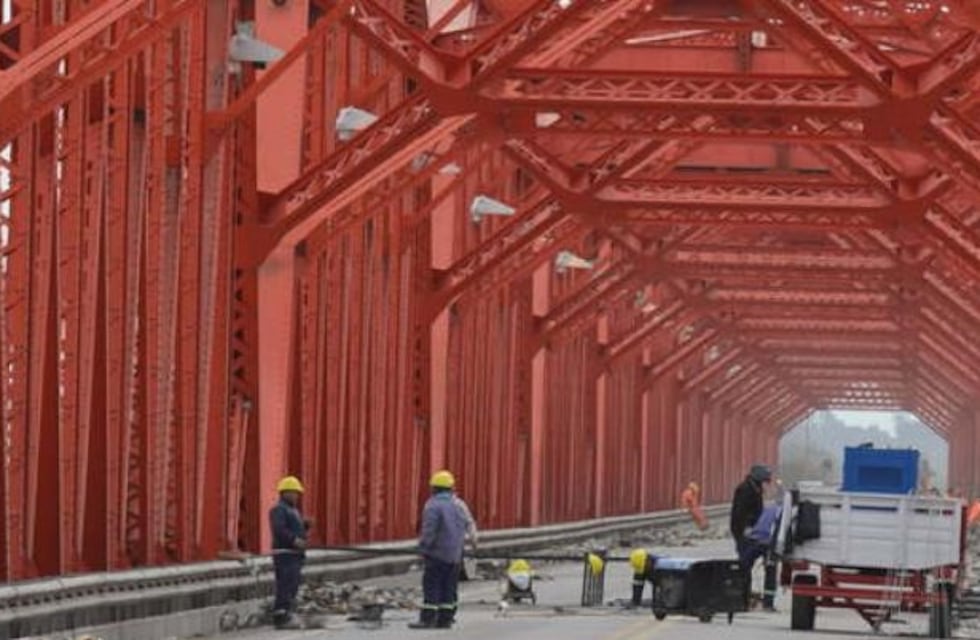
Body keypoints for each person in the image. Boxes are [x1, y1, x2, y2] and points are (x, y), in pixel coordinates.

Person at [410, 470, 468, 629]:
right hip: (455, 555)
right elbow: (464, 527)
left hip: (437, 554)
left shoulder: (433, 505)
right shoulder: (458, 505)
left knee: (432, 585)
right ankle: (445, 619)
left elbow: (429, 530)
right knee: (449, 587)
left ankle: (428, 619)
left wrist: (422, 548)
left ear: (434, 488)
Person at [269, 475, 311, 629]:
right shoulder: (278, 510)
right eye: (294, 492)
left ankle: (287, 612)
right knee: (285, 584)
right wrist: (294, 540)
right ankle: (281, 615)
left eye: (297, 493)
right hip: (285, 553)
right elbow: (279, 530)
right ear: (284, 493)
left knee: (293, 584)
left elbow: (294, 529)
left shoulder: (293, 511)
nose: (296, 496)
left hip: (294, 554)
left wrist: (305, 526)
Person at [730, 464, 773, 609]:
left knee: (765, 564)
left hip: (754, 533)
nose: (766, 483)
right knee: (745, 565)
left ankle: (754, 598)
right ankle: (742, 597)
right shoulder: (745, 489)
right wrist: (747, 529)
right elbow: (740, 512)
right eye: (765, 480)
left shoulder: (755, 488)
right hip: (745, 533)